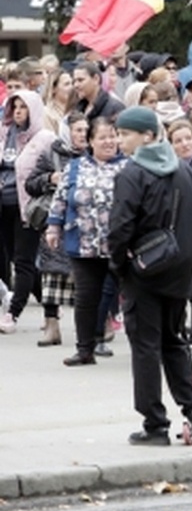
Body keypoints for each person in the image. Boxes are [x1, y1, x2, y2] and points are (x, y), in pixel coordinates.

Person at [107, 106, 192, 446]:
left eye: (125, 134)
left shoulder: (132, 173)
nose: (120, 140)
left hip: (144, 272)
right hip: (179, 269)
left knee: (146, 346)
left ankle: (155, 423)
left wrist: (119, 265)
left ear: (147, 136)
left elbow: (120, 228)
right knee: (173, 339)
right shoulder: (181, 169)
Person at [45, 118, 128, 365]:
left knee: (133, 295)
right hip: (83, 242)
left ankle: (146, 348)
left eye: (112, 136)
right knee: (86, 297)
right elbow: (60, 198)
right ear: (91, 142)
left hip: (119, 244)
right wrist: (53, 227)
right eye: (102, 137)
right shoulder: (75, 166)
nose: (109, 142)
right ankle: (85, 349)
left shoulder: (128, 167)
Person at [26, 111, 89, 346]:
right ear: (67, 131)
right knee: (51, 274)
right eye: (78, 130)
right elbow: (31, 184)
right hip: (57, 223)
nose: (83, 135)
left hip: (87, 225)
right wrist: (50, 178)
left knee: (91, 278)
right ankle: (52, 328)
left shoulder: (94, 155)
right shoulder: (52, 153)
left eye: (86, 130)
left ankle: (99, 327)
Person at [4, 89, 55, 333]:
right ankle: (49, 304)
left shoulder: (45, 138)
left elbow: (52, 170)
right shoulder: (5, 135)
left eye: (22, 107)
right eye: (14, 108)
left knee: (23, 261)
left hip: (28, 207)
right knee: (17, 259)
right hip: (4, 205)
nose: (18, 112)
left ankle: (12, 313)